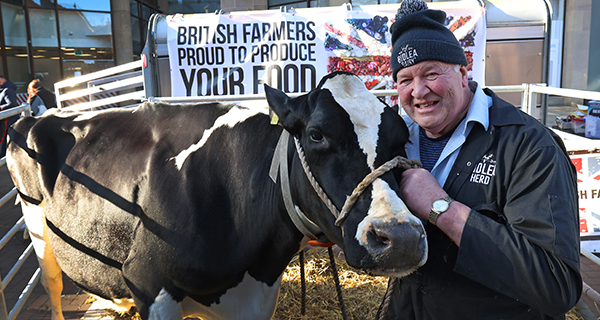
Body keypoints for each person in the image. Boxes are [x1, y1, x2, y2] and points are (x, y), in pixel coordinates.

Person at [382, 0, 582, 319]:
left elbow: (556, 286)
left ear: (463, 72)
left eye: (431, 73)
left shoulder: (529, 146)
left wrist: (442, 209)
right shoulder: (393, 139)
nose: (418, 91)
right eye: (405, 80)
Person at [0, 75, 19, 157]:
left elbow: (12, 104)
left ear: (3, 79)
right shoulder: (5, 90)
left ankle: (3, 157)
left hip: (9, 119)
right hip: (7, 119)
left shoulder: (7, 90)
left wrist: (0, 107)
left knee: (6, 139)